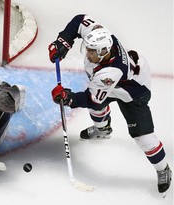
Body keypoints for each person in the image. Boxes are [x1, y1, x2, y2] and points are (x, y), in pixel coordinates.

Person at [48, 14, 172, 194]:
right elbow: (79, 20)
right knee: (98, 105)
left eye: (91, 51)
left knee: (143, 137)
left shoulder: (109, 73)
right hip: (121, 79)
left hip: (134, 92)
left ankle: (163, 169)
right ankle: (103, 130)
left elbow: (91, 98)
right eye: (88, 49)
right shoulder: (101, 36)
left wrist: (68, 98)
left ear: (104, 52)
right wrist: (63, 42)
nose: (87, 54)